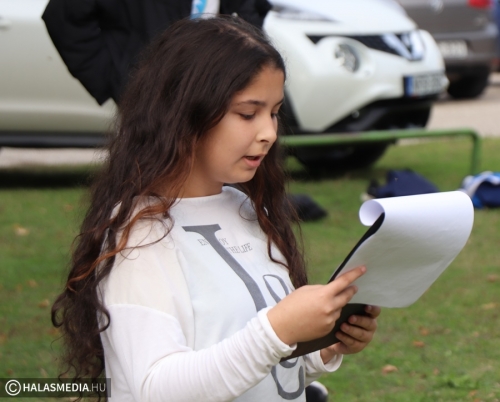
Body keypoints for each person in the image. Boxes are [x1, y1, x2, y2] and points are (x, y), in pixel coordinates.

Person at [51, 16, 381, 401]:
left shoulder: (246, 210)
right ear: (186, 113)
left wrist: (323, 345)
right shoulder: (139, 235)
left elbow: (266, 369)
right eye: (248, 114)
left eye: (274, 112)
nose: (269, 133)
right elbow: (156, 389)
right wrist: (277, 330)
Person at [42, 0, 272, 105]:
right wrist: (116, 81)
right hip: (153, 99)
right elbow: (63, 17)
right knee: (157, 179)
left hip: (216, 93)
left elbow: (250, 11)